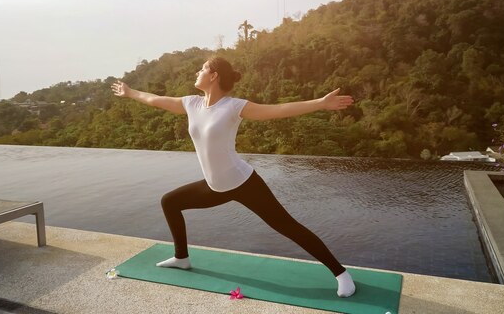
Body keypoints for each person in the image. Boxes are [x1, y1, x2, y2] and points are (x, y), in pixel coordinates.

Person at [111, 56, 356, 297]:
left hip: (243, 183)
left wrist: (321, 103)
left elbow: (278, 110)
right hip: (214, 186)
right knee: (170, 202)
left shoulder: (233, 106)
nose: (197, 72)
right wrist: (130, 92)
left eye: (202, 69)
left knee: (287, 226)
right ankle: (181, 257)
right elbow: (154, 99)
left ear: (213, 75)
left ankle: (341, 274)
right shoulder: (191, 104)